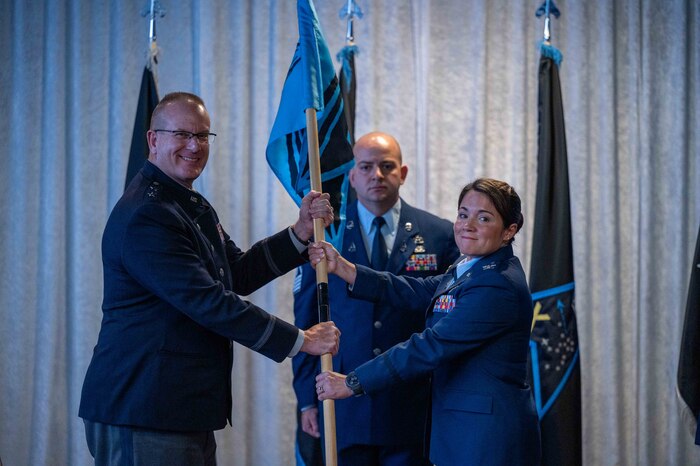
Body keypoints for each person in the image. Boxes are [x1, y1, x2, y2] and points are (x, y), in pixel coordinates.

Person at [78, 92, 341, 466]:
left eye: (202, 136)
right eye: (182, 135)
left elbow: (234, 273)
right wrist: (301, 340)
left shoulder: (187, 203)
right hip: (144, 407)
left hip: (177, 407)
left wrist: (299, 233)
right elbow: (209, 302)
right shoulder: (148, 215)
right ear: (153, 140)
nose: (194, 146)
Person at [311, 178, 542, 466]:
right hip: (459, 430)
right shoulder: (470, 266)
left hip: (485, 439)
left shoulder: (497, 285)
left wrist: (353, 382)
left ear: (509, 230)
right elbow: (413, 290)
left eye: (483, 218)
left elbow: (430, 346)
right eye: (463, 214)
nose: (467, 225)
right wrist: (343, 268)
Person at [292, 132, 459, 466]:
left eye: (386, 166)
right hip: (342, 403)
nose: (376, 175)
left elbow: (449, 321)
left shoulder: (440, 234)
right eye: (366, 167)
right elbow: (306, 320)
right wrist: (306, 399)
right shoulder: (325, 233)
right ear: (352, 176)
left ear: (404, 172)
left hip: (411, 400)